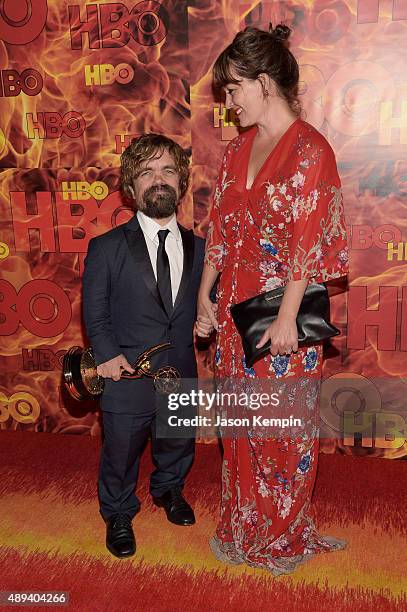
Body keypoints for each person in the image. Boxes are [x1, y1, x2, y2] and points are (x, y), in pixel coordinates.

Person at [196, 24, 349, 575]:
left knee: (282, 432)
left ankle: (281, 538)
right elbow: (221, 229)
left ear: (265, 82)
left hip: (282, 313)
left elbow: (309, 241)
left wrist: (287, 318)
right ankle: (243, 526)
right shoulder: (237, 148)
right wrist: (203, 297)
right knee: (240, 426)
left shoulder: (311, 151)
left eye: (235, 88)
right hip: (235, 311)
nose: (229, 101)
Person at [83, 133, 213, 558]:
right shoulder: (106, 248)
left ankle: (169, 491)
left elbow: (201, 306)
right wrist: (106, 356)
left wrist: (207, 318)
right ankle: (118, 512)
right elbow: (96, 313)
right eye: (147, 172)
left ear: (181, 182)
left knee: (177, 440)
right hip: (126, 373)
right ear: (131, 185)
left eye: (168, 171)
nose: (158, 180)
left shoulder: (202, 249)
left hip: (179, 369)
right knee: (120, 449)